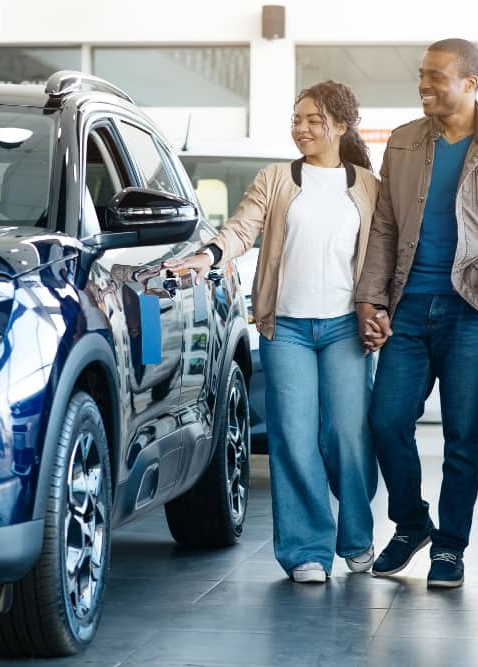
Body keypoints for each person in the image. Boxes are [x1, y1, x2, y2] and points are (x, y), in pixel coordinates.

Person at [355, 38, 478, 588]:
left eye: (435, 76)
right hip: (408, 308)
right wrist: (372, 298)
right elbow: (385, 227)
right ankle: (411, 524)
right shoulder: (402, 142)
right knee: (386, 421)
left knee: (463, 436)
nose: (423, 84)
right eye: (421, 74)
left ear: (470, 83)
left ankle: (450, 546)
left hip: (473, 310)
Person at [165, 81, 380, 583]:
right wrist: (210, 255)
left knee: (348, 436)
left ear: (340, 126)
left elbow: (383, 255)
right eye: (296, 119)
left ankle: (357, 534)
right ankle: (306, 550)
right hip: (286, 329)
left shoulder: (369, 186)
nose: (301, 128)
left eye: (313, 120)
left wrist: (383, 308)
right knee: (294, 437)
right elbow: (243, 227)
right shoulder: (276, 178)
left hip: (346, 328)